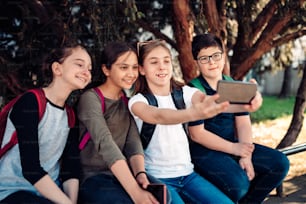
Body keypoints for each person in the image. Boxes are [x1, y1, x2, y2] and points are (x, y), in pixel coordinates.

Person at [129, 39, 235, 204]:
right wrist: (191, 114)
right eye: (154, 62)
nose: (162, 66)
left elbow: (203, 99)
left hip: (188, 175)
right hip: (158, 178)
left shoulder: (184, 92)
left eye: (166, 61)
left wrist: (247, 101)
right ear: (142, 69)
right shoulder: (137, 101)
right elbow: (159, 116)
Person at [188, 33, 290, 203]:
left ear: (223, 56)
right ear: (196, 62)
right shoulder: (194, 90)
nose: (211, 62)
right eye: (204, 58)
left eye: (215, 55)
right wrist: (235, 149)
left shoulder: (232, 84)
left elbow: (243, 123)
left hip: (233, 143)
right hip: (204, 150)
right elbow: (197, 134)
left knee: (279, 164)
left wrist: (246, 156)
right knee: (239, 185)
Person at [0, 43, 92, 204]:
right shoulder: (30, 102)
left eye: (90, 68)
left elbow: (70, 169)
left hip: (52, 194)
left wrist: (71, 202)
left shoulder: (70, 115)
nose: (86, 72)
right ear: (57, 69)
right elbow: (31, 168)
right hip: (12, 190)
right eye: (79, 64)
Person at [77, 42, 167, 204]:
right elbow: (106, 144)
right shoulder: (91, 98)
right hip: (94, 177)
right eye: (124, 67)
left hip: (124, 175)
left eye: (134, 68)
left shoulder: (127, 102)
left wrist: (140, 174)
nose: (131, 73)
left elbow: (133, 143)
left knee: (165, 199)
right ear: (106, 70)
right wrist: (135, 192)